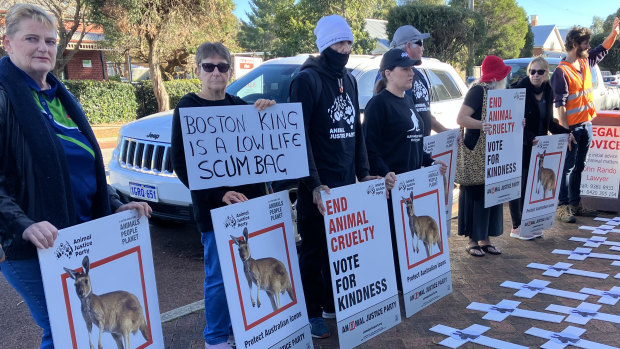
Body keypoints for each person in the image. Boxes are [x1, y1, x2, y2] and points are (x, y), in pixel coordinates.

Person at [0, 4, 151, 348]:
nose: (43, 47)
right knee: (63, 330)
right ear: (7, 43)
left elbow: (86, 167)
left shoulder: (60, 97)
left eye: (50, 41)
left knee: (75, 331)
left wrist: (115, 204)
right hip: (30, 244)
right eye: (31, 39)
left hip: (81, 234)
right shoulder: (5, 96)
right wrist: (24, 223)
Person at [170, 42, 274, 349]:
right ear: (197, 70)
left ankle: (237, 328)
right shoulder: (188, 107)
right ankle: (215, 338)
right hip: (213, 210)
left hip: (247, 208)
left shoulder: (241, 106)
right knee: (217, 277)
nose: (216, 72)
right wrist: (220, 193)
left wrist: (268, 112)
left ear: (230, 70)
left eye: (223, 66)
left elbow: (267, 148)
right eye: (209, 66)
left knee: (247, 271)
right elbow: (181, 162)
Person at [289, 14, 379, 339]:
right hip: (316, 187)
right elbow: (297, 137)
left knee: (338, 248)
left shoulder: (351, 81)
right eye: (339, 42)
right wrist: (313, 184)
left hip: (345, 184)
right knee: (313, 250)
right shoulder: (307, 80)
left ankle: (330, 303)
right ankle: (310, 313)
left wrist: (364, 173)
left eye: (349, 42)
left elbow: (355, 130)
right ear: (325, 44)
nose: (345, 48)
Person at [364, 48, 447, 285]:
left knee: (408, 234)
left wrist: (430, 161)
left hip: (411, 185)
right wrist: (384, 173)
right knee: (395, 237)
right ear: (388, 73)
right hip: (391, 188)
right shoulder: (377, 105)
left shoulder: (408, 100)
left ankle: (411, 279)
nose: (411, 73)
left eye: (412, 68)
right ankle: (398, 283)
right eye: (405, 69)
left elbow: (413, 144)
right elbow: (369, 149)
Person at [551, 18, 619, 223]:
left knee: (580, 166)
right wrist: (565, 131)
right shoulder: (561, 72)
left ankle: (575, 203)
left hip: (586, 125)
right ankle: (562, 207)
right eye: (585, 44)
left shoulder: (584, 61)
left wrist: (614, 32)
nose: (588, 47)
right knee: (567, 168)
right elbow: (559, 105)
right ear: (574, 45)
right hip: (571, 128)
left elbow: (603, 48)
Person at [508, 57, 571, 240]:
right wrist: (529, 138)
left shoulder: (548, 91)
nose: (535, 75)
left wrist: (566, 132)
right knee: (519, 184)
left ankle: (527, 223)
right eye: (532, 71)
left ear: (546, 73)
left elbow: (549, 122)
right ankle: (516, 226)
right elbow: (514, 122)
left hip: (538, 147)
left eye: (540, 72)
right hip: (521, 145)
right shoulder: (519, 90)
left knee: (531, 184)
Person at [456, 55, 511, 257]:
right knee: (476, 193)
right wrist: (482, 124)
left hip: (493, 152)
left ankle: (485, 237)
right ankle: (473, 239)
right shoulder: (478, 91)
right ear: (497, 77)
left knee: (491, 194)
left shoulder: (498, 95)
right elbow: (461, 118)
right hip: (476, 150)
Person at [379, 25, 449, 135]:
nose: (423, 48)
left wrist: (446, 133)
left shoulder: (419, 75)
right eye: (420, 43)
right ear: (408, 46)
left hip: (422, 149)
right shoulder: (392, 76)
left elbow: (424, 113)